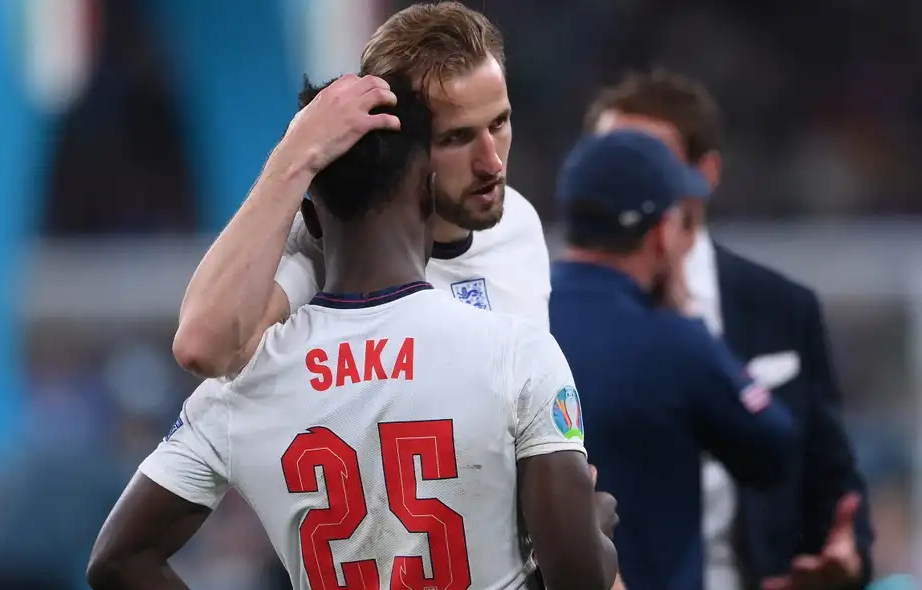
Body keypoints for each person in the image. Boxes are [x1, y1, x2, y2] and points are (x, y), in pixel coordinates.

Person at [86, 76, 618, 590]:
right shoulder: (515, 353)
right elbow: (577, 578)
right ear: (428, 196)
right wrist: (594, 529)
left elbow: (117, 560)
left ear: (312, 223)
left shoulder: (241, 386)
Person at [584, 70, 874, 590]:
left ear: (706, 174)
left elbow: (830, 475)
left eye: (648, 159)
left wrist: (848, 557)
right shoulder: (554, 313)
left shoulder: (782, 308)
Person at [172, 1, 551, 380]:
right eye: (457, 138)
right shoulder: (339, 248)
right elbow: (201, 347)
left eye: (499, 123)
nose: (492, 163)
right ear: (399, 143)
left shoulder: (521, 224)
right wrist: (294, 154)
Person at [549, 129, 798, 590]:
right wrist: (690, 319)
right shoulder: (675, 342)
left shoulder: (518, 318)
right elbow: (774, 449)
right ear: (662, 233)